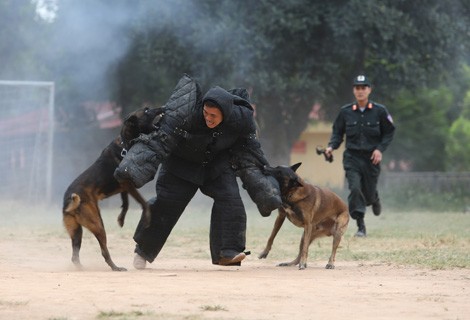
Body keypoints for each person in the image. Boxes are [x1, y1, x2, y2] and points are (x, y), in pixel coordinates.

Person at [123, 76, 278, 269]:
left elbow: (251, 148)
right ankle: (143, 251)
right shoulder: (186, 115)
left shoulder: (240, 120)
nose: (208, 118)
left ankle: (227, 253)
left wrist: (265, 182)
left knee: (231, 199)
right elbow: (160, 139)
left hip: (216, 165)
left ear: (226, 115)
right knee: (166, 205)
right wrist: (135, 166)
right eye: (206, 113)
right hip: (180, 165)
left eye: (214, 116)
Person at [325, 75, 395, 237]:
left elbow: (389, 132)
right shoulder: (346, 112)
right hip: (352, 157)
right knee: (355, 188)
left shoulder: (380, 111)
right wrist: (331, 147)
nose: (360, 91)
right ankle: (361, 226)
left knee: (368, 194)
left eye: (364, 87)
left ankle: (374, 199)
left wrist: (380, 149)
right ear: (354, 90)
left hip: (372, 158)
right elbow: (337, 133)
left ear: (369, 90)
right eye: (357, 88)